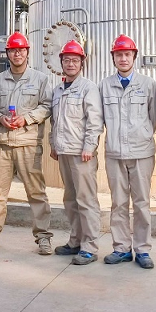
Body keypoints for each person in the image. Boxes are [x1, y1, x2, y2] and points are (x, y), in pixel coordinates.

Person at [0, 32, 54, 255]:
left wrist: (27, 119)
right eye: (13, 50)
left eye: (21, 50)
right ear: (7, 54)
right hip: (2, 144)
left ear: (27, 52)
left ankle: (43, 236)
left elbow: (47, 106)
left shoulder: (40, 79)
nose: (17, 54)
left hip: (28, 144)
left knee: (36, 192)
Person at [99, 35, 156, 269]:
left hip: (142, 153)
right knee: (118, 203)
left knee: (142, 203)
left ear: (134, 56)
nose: (123, 58)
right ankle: (121, 248)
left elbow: (154, 116)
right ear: (113, 57)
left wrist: (142, 134)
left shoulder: (148, 84)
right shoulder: (104, 86)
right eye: (119, 54)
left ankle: (143, 250)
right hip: (114, 153)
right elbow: (100, 118)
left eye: (127, 54)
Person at [49, 40, 103, 265]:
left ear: (82, 63)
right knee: (70, 199)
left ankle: (89, 247)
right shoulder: (58, 90)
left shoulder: (88, 88)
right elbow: (55, 121)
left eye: (75, 60)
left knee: (86, 200)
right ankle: (76, 241)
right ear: (61, 62)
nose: (71, 64)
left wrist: (89, 147)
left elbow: (95, 120)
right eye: (67, 60)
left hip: (82, 154)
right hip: (64, 152)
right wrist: (53, 144)